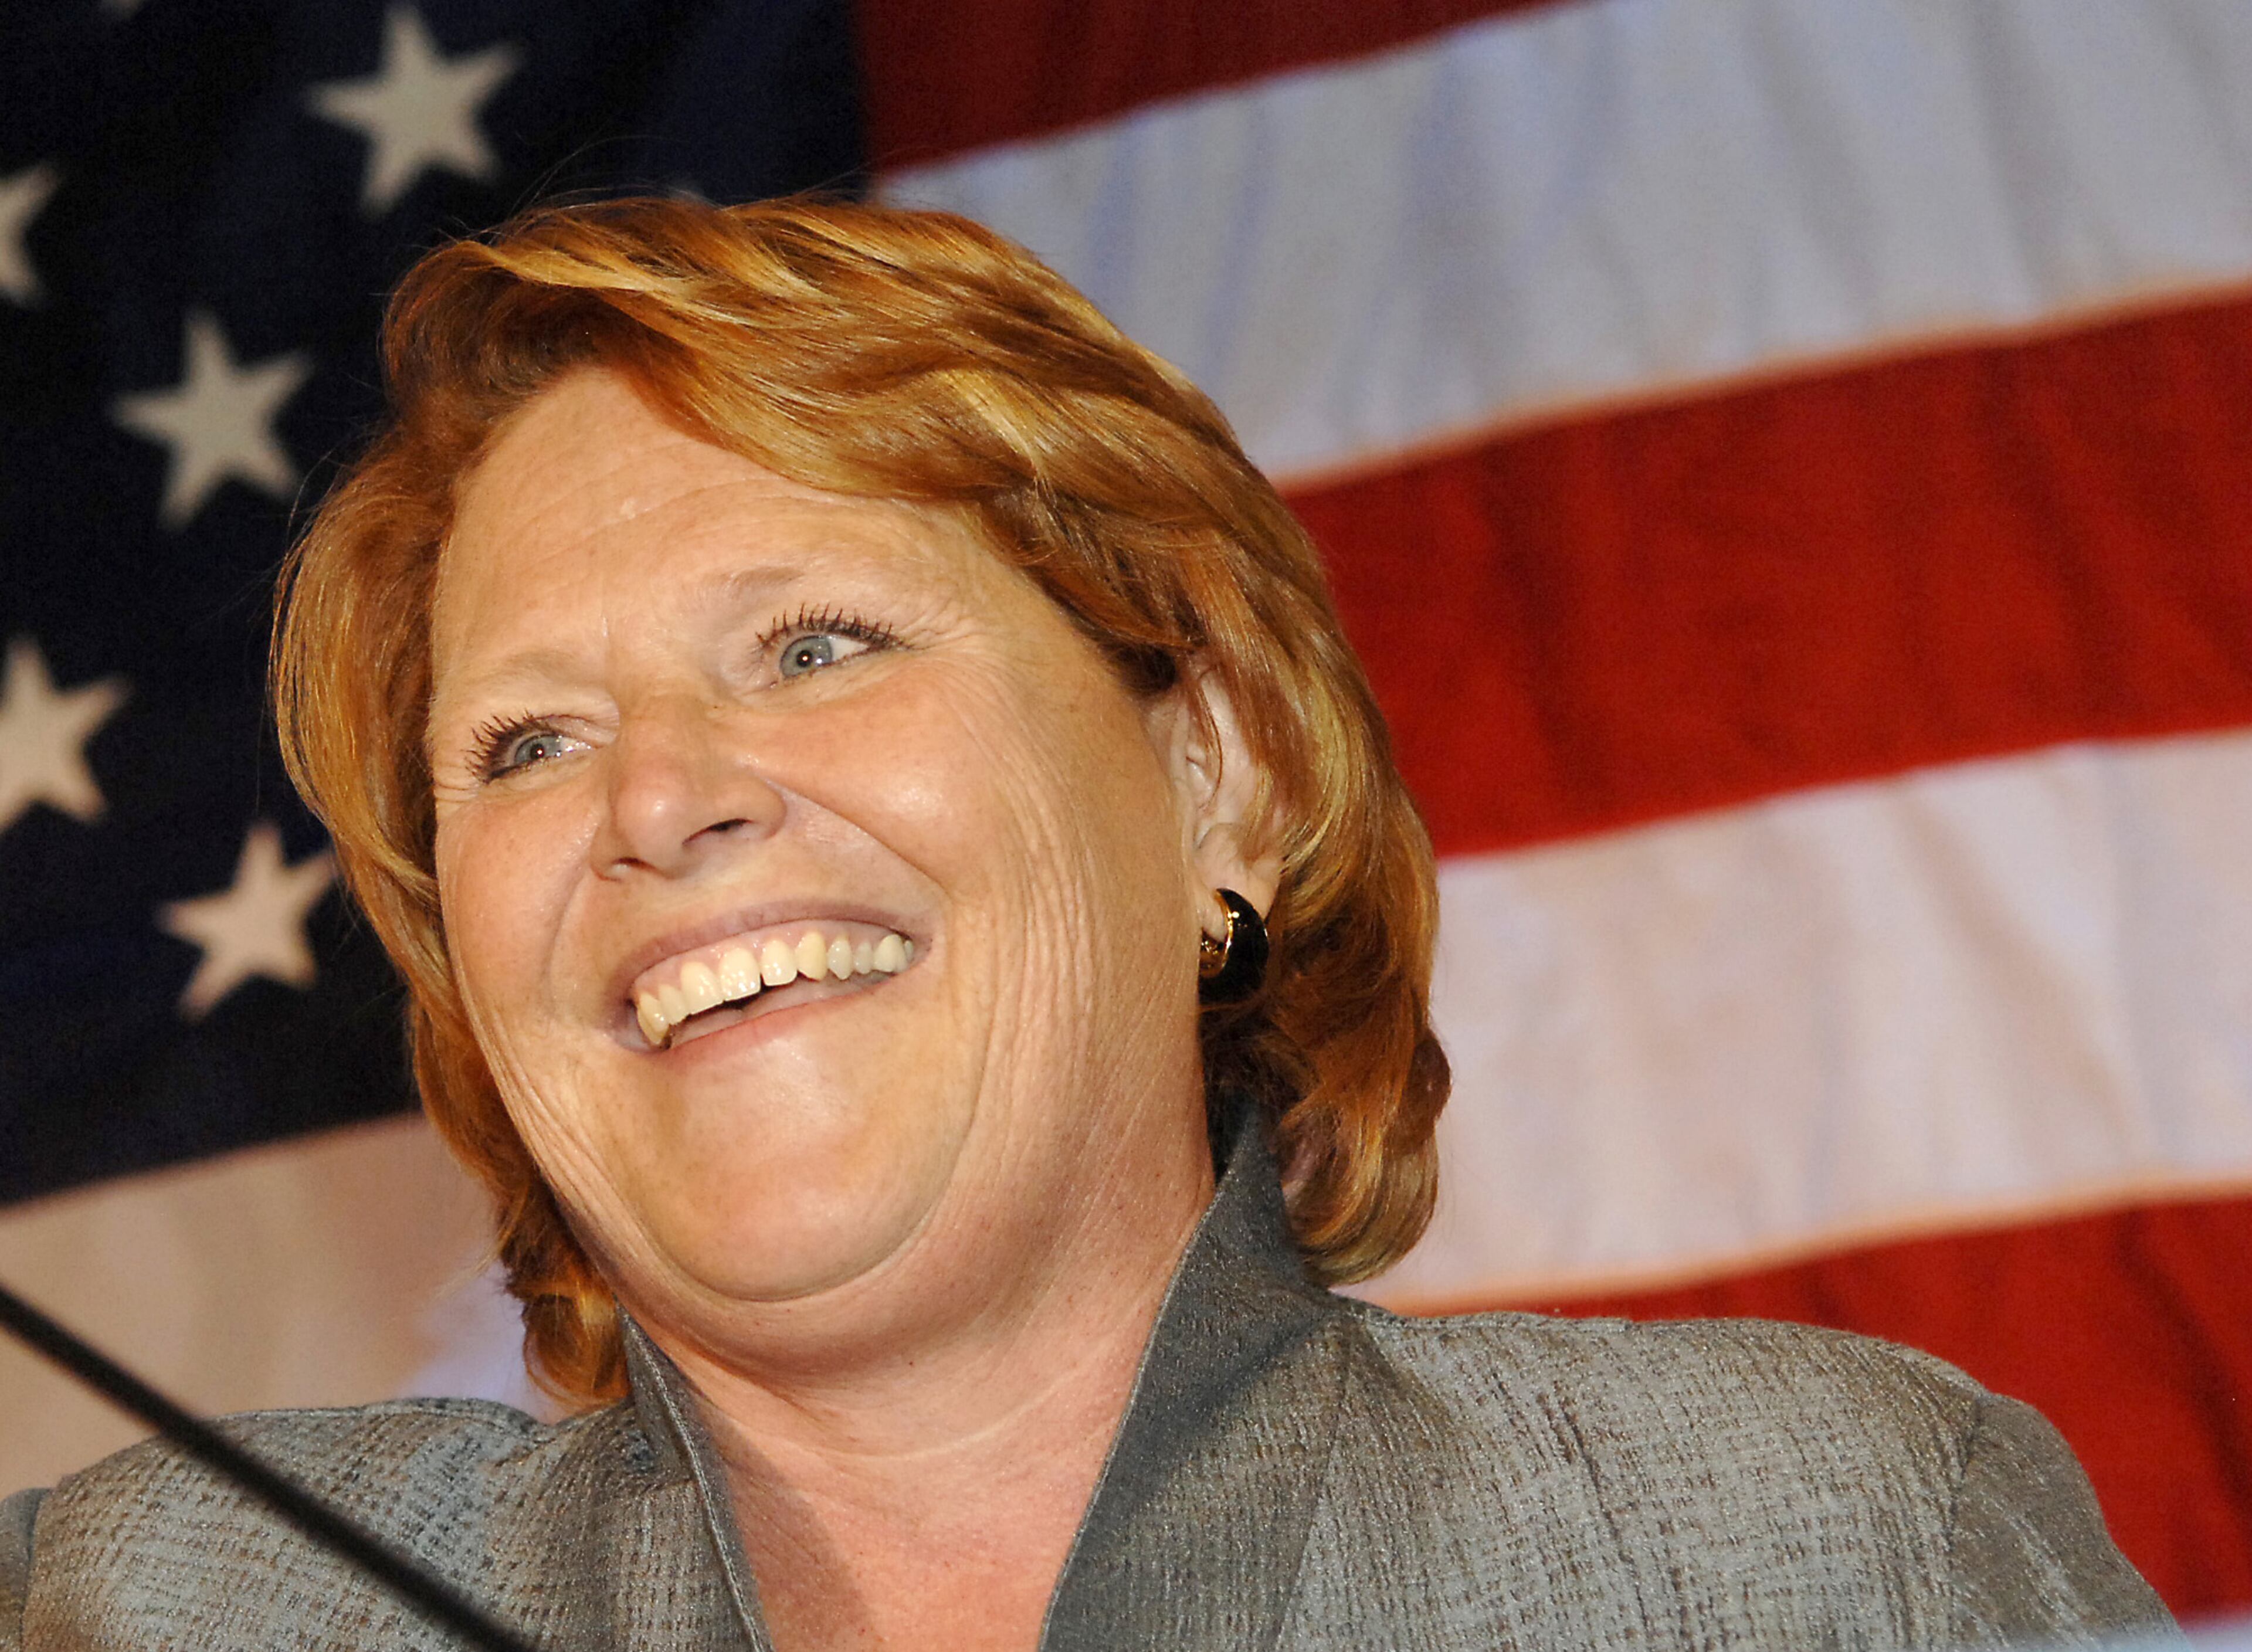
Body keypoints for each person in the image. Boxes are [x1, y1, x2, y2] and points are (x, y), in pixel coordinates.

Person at [0, 197, 2176, 1651]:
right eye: (527, 745)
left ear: (1214, 771)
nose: (658, 800)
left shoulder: (1808, 1552)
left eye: (822, 642)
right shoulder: (173, 1606)